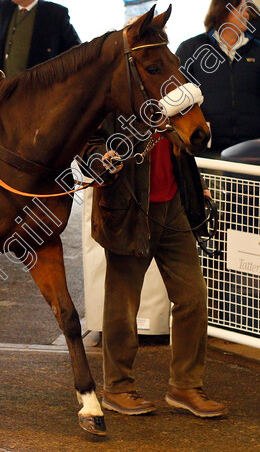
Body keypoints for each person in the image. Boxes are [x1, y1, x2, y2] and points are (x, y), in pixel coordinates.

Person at [84, 117, 227, 418]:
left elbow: (187, 144)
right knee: (122, 305)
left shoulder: (171, 89)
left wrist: (193, 188)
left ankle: (186, 386)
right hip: (128, 208)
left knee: (192, 296)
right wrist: (100, 158)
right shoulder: (115, 91)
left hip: (172, 206)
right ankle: (118, 388)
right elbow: (88, 141)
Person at [176, 0, 260, 157]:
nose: (247, 14)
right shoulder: (191, 49)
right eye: (241, 10)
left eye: (247, 10)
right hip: (207, 148)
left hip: (252, 147)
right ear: (223, 12)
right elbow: (178, 94)